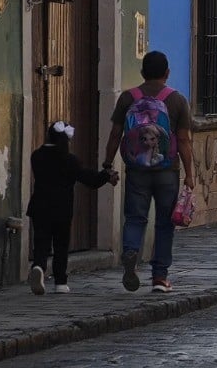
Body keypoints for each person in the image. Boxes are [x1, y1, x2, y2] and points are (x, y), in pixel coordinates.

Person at [102, 50, 195, 294]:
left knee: (135, 217)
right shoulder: (177, 100)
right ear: (167, 73)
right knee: (165, 223)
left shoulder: (128, 98)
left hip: (137, 170)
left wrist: (107, 164)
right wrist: (190, 174)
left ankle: (131, 251)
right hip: (167, 171)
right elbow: (183, 140)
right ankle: (160, 277)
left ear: (143, 72)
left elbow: (116, 134)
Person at [27, 121, 116, 295]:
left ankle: (38, 266)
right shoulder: (70, 160)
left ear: (48, 136)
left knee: (41, 241)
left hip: (40, 206)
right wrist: (106, 175)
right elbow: (90, 180)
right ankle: (60, 282)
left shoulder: (36, 156)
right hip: (62, 209)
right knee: (61, 245)